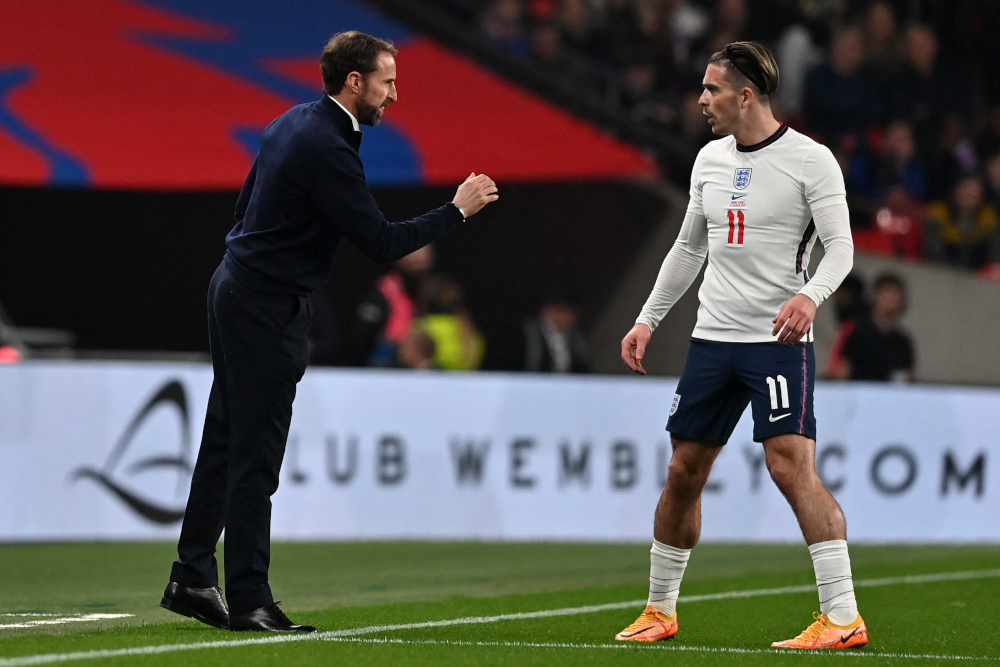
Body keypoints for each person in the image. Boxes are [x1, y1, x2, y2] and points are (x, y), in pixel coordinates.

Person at [159, 31, 498, 633]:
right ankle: (250, 599)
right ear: (355, 83)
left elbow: (245, 205)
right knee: (254, 458)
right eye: (388, 81)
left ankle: (191, 575)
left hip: (237, 284)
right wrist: (457, 210)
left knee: (225, 441)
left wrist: (253, 258)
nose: (395, 94)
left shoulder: (293, 121)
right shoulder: (330, 146)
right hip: (264, 303)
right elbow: (380, 242)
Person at [618, 42, 866, 649]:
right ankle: (659, 610)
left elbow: (841, 246)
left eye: (711, 89)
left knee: (789, 467)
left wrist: (811, 296)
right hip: (712, 340)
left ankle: (841, 616)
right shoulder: (708, 160)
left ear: (745, 95)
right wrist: (647, 319)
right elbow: (688, 249)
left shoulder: (812, 160)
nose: (701, 100)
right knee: (683, 470)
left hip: (777, 341)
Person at [832, 273, 914, 382]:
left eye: (896, 294)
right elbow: (840, 375)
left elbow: (910, 379)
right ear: (876, 296)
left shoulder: (902, 342)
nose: (892, 300)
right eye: (887, 293)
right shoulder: (858, 335)